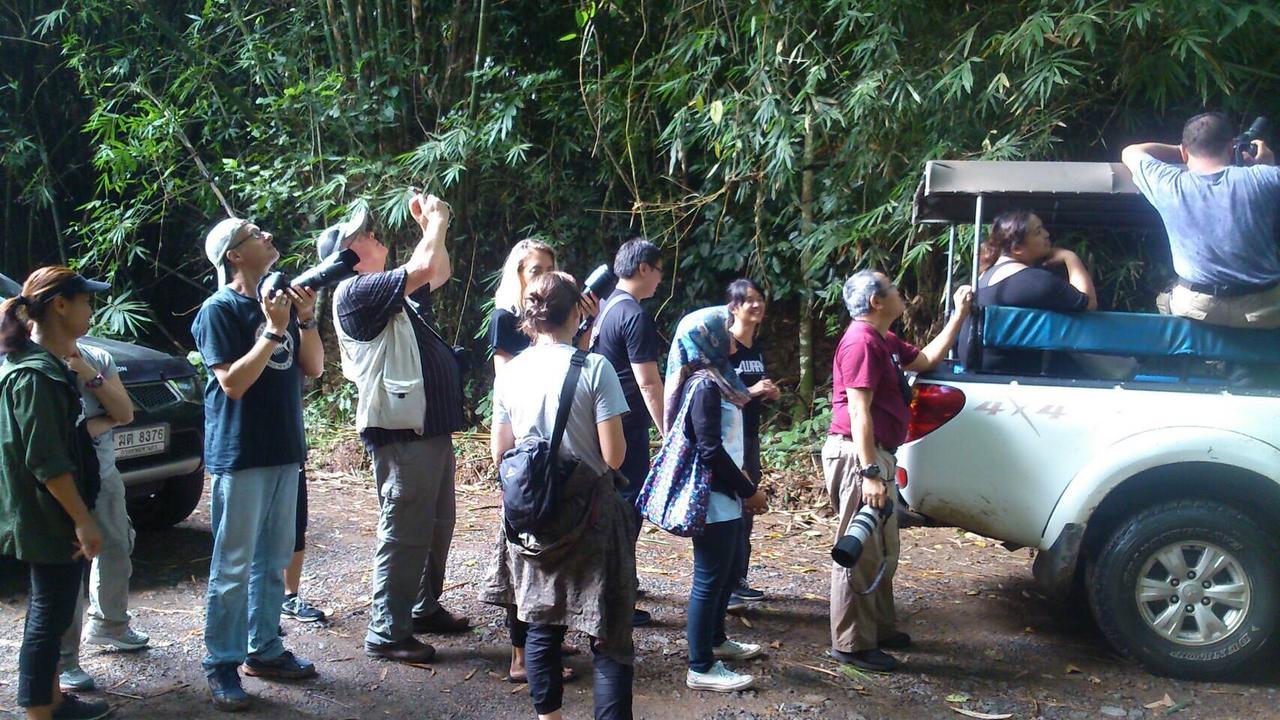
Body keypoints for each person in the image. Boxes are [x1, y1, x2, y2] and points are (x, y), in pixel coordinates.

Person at [480, 271, 636, 720]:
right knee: (609, 633)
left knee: (542, 621)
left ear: (531, 318)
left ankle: (550, 717)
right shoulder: (594, 367)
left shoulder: (510, 373)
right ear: (578, 314)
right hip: (591, 516)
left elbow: (500, 452)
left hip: (534, 515)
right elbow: (614, 455)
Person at [329, 196, 470, 665]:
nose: (374, 236)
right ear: (345, 255)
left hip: (428, 429)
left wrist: (433, 227)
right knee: (405, 530)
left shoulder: (389, 292)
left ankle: (420, 607)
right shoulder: (354, 292)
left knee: (435, 525)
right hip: (403, 435)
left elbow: (437, 271)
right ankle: (387, 630)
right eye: (363, 235)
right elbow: (426, 264)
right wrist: (439, 222)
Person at [194, 217, 324, 710]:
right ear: (234, 254)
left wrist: (305, 320)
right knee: (233, 565)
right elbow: (232, 383)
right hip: (241, 451)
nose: (269, 236)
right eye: (255, 234)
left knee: (273, 559)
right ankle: (221, 663)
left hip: (284, 448)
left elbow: (313, 367)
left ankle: (264, 648)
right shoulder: (219, 310)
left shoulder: (280, 303)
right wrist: (272, 331)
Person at [824, 270, 972, 672]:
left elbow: (925, 359)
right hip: (860, 455)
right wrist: (869, 471)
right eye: (892, 289)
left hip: (880, 455)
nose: (900, 294)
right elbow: (858, 411)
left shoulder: (883, 340)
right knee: (859, 551)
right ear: (876, 302)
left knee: (884, 548)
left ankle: (878, 630)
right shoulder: (860, 343)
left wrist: (958, 316)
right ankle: (851, 644)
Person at [1, 266, 112, 720]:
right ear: (60, 306)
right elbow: (46, 461)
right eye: (85, 300)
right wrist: (83, 519)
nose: (90, 308)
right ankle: (38, 713)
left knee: (50, 611)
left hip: (47, 513)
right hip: (48, 516)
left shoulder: (41, 367)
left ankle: (47, 700)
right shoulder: (36, 376)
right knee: (49, 617)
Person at [489, 238, 584, 682]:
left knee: (552, 554)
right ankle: (521, 655)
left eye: (549, 267)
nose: (542, 275)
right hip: (525, 454)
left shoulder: (555, 323)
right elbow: (506, 386)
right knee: (523, 557)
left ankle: (544, 640)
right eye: (533, 269)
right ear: (517, 275)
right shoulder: (506, 319)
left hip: (554, 450)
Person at [662, 306, 770, 692]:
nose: (730, 335)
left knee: (724, 574)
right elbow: (709, 450)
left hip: (724, 495)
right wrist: (748, 490)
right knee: (708, 581)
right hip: (714, 499)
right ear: (706, 339)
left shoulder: (721, 381)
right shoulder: (705, 386)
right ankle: (701, 666)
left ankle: (717, 640)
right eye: (722, 330)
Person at [1121, 112, 1280, 329]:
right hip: (1265, 310)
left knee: (1164, 300)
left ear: (1186, 152)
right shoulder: (1265, 177)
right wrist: (1268, 167)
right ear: (1232, 146)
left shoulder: (1168, 183)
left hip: (1199, 310)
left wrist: (1179, 150)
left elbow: (1131, 151)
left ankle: (1203, 360)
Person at [59, 334, 151, 693]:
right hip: (61, 479)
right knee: (65, 565)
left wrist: (87, 372)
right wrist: (91, 426)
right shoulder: (30, 361)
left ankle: (111, 624)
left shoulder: (96, 356)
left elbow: (124, 412)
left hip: (104, 472)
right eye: (83, 301)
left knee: (117, 544)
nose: (91, 311)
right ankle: (65, 661)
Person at [590, 238, 665, 627]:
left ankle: (616, 585)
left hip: (604, 421)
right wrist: (668, 430)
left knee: (614, 505)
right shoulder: (633, 314)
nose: (660, 279)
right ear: (642, 269)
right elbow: (648, 381)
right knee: (627, 509)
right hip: (628, 422)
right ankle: (613, 598)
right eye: (658, 270)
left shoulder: (604, 307)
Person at [956, 210, 1097, 374]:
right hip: (1012, 375)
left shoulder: (982, 277)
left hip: (978, 368)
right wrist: (1071, 258)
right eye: (1038, 232)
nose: (1046, 234)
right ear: (1016, 248)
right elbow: (1089, 303)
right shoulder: (1035, 281)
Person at [723, 279, 779, 610]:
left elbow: (757, 389)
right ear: (733, 307)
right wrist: (752, 392)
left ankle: (738, 579)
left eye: (760, 299)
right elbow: (717, 392)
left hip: (751, 435)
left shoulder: (755, 348)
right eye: (749, 301)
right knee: (733, 505)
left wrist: (770, 393)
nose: (756, 305)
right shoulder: (724, 347)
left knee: (748, 509)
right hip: (730, 437)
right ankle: (726, 584)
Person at [490, 239, 558, 371]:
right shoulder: (504, 319)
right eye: (536, 271)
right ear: (519, 274)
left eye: (549, 270)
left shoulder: (558, 314)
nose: (544, 277)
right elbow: (505, 379)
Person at [280, 463, 327, 623]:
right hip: (252, 462)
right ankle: (258, 611)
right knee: (258, 530)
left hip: (291, 455)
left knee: (296, 525)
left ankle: (289, 599)